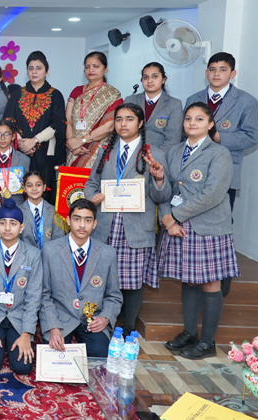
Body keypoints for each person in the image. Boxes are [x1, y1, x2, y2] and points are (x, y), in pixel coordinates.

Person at [158, 102, 239, 360]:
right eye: (189, 119)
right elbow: (166, 191)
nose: (192, 123)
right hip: (180, 227)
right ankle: (190, 333)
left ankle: (208, 342)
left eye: (200, 119)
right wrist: (167, 220)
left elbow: (213, 194)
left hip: (208, 226)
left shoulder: (219, 153)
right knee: (189, 280)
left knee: (210, 283)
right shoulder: (175, 151)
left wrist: (176, 216)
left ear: (210, 124)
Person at [84, 104, 171, 337]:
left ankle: (128, 326)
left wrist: (160, 179)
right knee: (101, 277)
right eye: (119, 119)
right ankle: (102, 322)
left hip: (135, 227)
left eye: (129, 119)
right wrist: (92, 197)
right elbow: (91, 183)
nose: (123, 124)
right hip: (105, 225)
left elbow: (162, 195)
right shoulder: (105, 150)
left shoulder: (154, 154)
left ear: (140, 123)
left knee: (132, 281)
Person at [185, 52, 258, 298]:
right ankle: (194, 275)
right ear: (206, 72)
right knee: (193, 225)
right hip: (192, 175)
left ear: (233, 73)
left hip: (225, 175)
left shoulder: (246, 101)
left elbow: (252, 136)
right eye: (212, 69)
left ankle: (220, 280)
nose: (217, 73)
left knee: (220, 227)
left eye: (223, 69)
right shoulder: (194, 98)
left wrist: (220, 138)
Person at [40, 199, 122, 358]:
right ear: (68, 220)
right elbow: (44, 294)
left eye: (88, 220)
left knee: (100, 354)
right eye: (77, 219)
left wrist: (105, 318)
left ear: (95, 223)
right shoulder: (50, 250)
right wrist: (53, 327)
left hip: (92, 320)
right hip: (60, 318)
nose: (82, 225)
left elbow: (114, 296)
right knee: (53, 355)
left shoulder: (107, 253)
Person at [0, 199, 42, 374]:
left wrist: (27, 333)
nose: (7, 228)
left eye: (13, 224)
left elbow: (33, 298)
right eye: (3, 223)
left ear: (21, 227)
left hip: (19, 317)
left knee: (23, 367)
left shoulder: (33, 255)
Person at [4, 51, 67, 204]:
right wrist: (20, 142)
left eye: (38, 68)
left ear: (47, 70)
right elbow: (8, 120)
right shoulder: (18, 93)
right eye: (31, 68)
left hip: (45, 152)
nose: (34, 71)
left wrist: (35, 140)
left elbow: (58, 124)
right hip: (19, 151)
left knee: (43, 191)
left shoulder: (55, 95)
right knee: (17, 191)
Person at [66, 52, 123, 168]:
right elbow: (68, 121)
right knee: (71, 184)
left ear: (105, 69)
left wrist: (81, 141)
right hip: (74, 151)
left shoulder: (113, 94)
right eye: (87, 67)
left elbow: (109, 126)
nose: (91, 70)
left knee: (93, 184)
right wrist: (72, 143)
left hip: (97, 151)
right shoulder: (76, 91)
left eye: (96, 66)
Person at [124, 62, 183, 154]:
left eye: (154, 77)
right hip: (129, 153)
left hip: (158, 156)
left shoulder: (174, 104)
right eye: (145, 77)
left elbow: (173, 139)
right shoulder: (130, 100)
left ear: (163, 79)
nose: (149, 81)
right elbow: (122, 130)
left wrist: (154, 157)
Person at [0, 120, 30, 205]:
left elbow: (28, 185)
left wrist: (25, 184)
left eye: (7, 134)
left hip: (17, 204)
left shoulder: (24, 159)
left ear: (13, 136)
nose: (3, 138)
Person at [20, 171, 66, 250]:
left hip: (50, 258)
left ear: (44, 187)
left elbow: (59, 239)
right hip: (26, 259)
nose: (34, 189)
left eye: (38, 185)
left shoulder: (55, 211)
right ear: (24, 188)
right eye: (29, 185)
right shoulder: (18, 212)